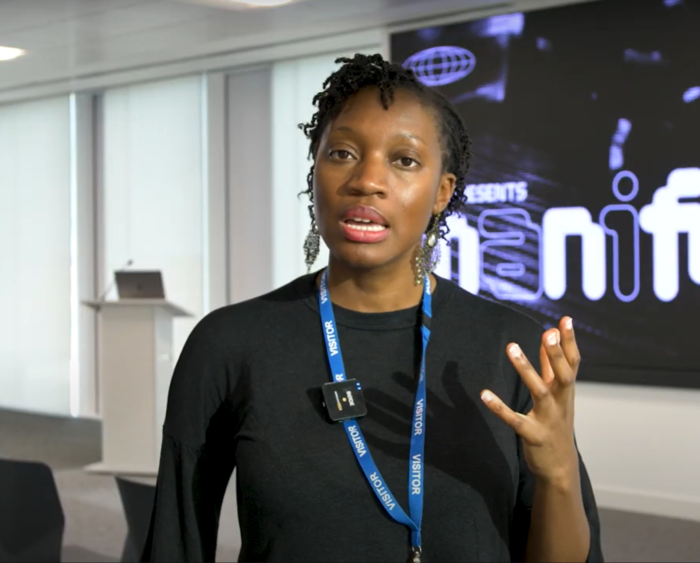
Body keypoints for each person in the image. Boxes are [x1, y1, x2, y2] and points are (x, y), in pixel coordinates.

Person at [141, 53, 603, 563]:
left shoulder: (510, 349)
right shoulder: (229, 344)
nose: (366, 180)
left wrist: (558, 473)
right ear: (314, 171)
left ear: (441, 193)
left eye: (404, 160)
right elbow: (174, 543)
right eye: (341, 153)